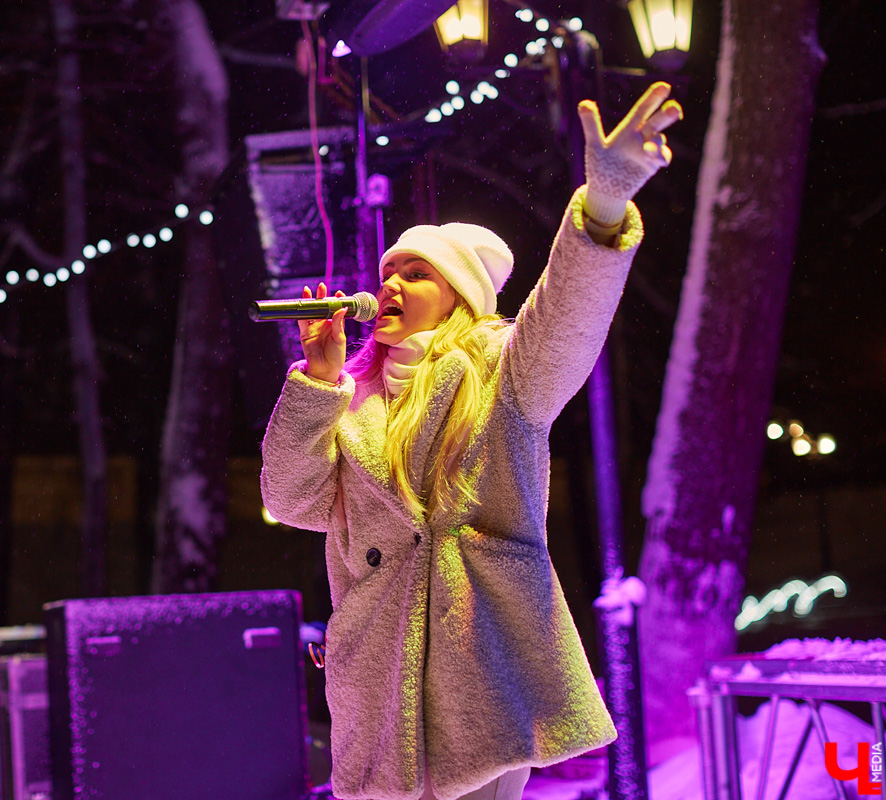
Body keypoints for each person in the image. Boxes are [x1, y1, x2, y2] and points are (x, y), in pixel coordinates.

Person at [260, 83, 682, 800]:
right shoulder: (351, 399)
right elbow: (291, 500)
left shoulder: (501, 371)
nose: (390, 282)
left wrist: (603, 207)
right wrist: (318, 381)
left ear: (458, 294)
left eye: (414, 273)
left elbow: (566, 320)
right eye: (388, 271)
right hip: (377, 669)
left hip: (479, 656)